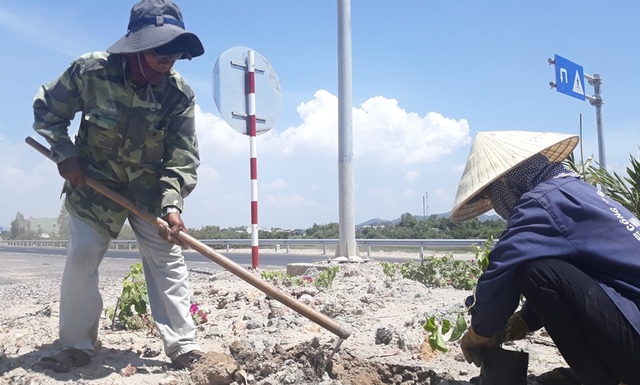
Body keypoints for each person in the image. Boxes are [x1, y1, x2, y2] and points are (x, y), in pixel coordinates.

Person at [32, 0, 206, 372]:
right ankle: (77, 346)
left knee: (168, 261)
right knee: (82, 259)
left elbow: (183, 154)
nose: (168, 62)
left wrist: (172, 204)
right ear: (138, 48)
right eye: (161, 54)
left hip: (149, 191)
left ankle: (183, 346)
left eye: (174, 54)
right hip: (94, 183)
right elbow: (48, 109)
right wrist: (65, 154)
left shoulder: (179, 94)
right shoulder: (90, 71)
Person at [450, 131, 640, 385]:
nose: (496, 205)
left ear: (506, 184)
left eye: (492, 195)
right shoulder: (576, 193)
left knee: (535, 272)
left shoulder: (541, 202)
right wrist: (525, 320)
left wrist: (479, 331)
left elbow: (502, 268)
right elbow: (577, 280)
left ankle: (606, 379)